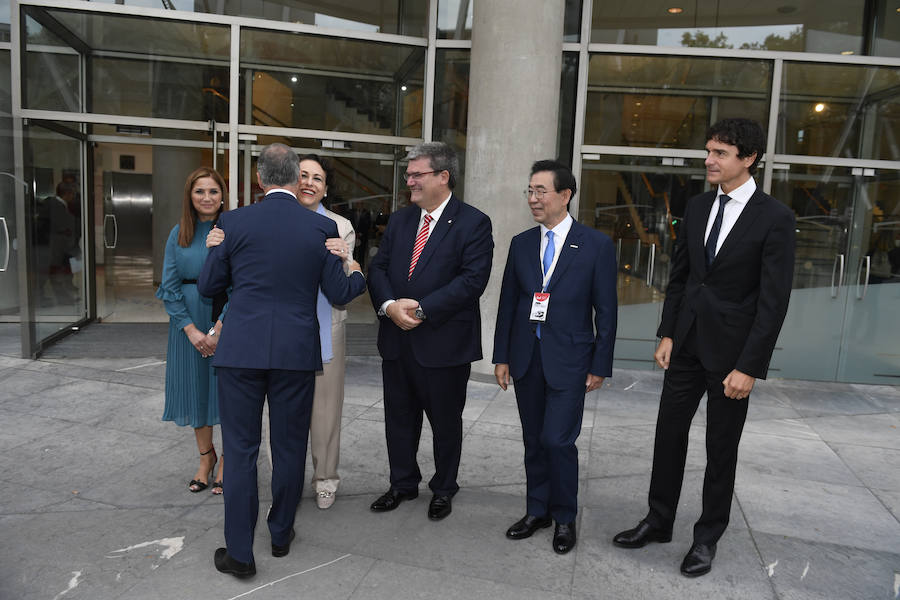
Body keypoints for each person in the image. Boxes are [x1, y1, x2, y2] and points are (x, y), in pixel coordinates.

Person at [613, 118, 795, 577]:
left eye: (721, 153)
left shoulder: (775, 218)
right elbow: (681, 278)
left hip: (734, 357)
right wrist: (669, 333)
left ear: (748, 158)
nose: (709, 160)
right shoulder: (695, 207)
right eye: (709, 150)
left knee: (721, 449)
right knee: (667, 435)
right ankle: (658, 520)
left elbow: (773, 303)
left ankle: (706, 537)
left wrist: (750, 366)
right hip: (688, 345)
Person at [198, 143, 366, 579]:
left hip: (240, 353)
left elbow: (209, 285)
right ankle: (280, 533)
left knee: (240, 450)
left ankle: (239, 553)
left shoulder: (232, 221)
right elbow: (342, 293)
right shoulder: (320, 228)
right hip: (295, 353)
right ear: (295, 180)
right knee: (289, 446)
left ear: (260, 179)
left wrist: (215, 247)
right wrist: (355, 266)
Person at [493, 160, 617, 554]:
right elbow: (509, 304)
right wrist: (502, 356)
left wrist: (600, 364)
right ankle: (537, 510)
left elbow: (607, 311)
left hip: (571, 361)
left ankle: (565, 516)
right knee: (534, 440)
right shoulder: (522, 244)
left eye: (540, 191)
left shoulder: (595, 245)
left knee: (557, 441)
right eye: (529, 191)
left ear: (565, 195)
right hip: (527, 357)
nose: (533, 199)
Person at [367, 141, 493, 521]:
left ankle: (443, 488)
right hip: (397, 341)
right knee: (399, 419)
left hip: (444, 345)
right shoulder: (402, 220)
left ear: (443, 176)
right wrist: (390, 306)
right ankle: (402, 483)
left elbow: (472, 281)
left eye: (416, 174)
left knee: (445, 422)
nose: (410, 182)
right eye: (408, 175)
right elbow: (378, 269)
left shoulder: (474, 222)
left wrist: (421, 309)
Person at [156, 167, 228, 495]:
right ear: (190, 196)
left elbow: (241, 285)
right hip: (186, 326)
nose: (207, 197)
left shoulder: (231, 230)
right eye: (200, 191)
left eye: (213, 191)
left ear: (222, 195)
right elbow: (169, 288)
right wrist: (190, 330)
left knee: (227, 394)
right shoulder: (178, 233)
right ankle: (205, 459)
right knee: (196, 393)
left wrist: (217, 330)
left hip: (225, 321)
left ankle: (228, 460)